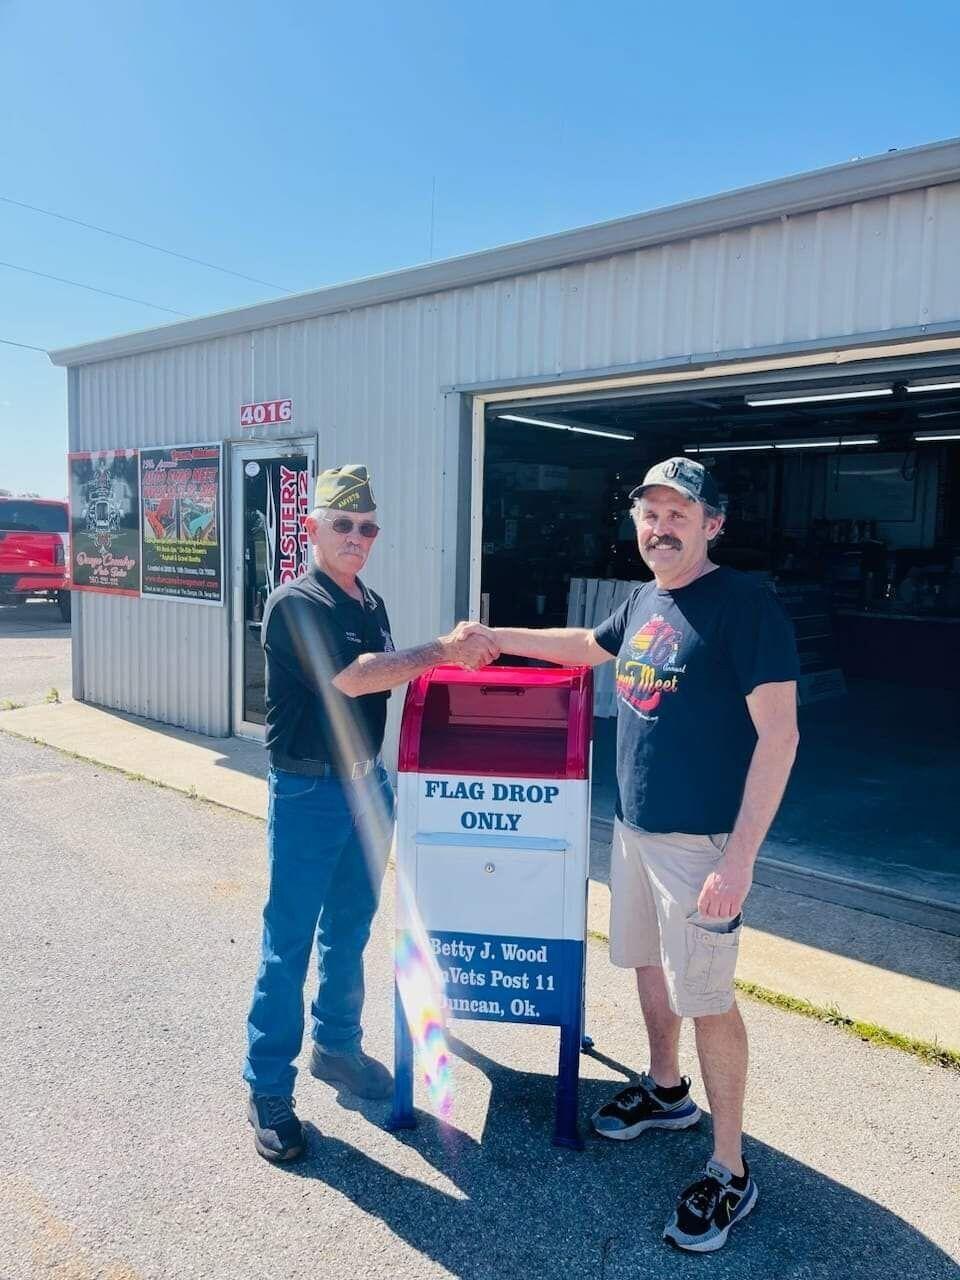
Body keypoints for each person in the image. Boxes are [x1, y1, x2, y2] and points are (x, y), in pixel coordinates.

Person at [467, 456, 799, 1252]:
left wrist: (740, 861)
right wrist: (494, 639)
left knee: (709, 997)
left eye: (679, 513)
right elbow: (587, 644)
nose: (661, 526)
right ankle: (664, 1089)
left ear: (713, 523)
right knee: (649, 966)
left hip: (702, 845)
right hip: (639, 834)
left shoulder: (743, 604)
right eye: (650, 513)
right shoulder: (647, 600)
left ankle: (729, 1168)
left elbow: (780, 736)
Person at [243, 464, 497, 1162]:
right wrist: (442, 649)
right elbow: (355, 678)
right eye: (344, 525)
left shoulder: (369, 601)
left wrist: (460, 658)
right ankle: (268, 1085)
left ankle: (335, 1047)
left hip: (365, 787)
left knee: (350, 927)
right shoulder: (297, 601)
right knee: (287, 940)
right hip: (307, 791)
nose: (357, 537)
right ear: (312, 527)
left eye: (368, 527)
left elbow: (391, 671)